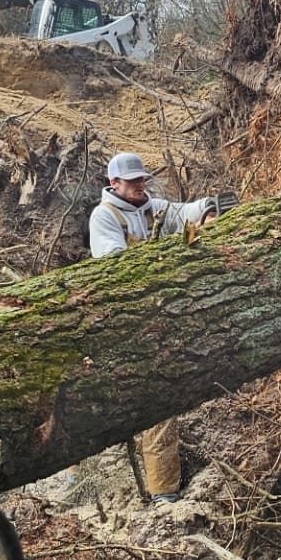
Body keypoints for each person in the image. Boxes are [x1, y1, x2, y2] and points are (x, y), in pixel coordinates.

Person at [88, 152, 219, 504]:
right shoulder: (104, 217)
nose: (139, 186)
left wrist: (207, 214)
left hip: (161, 317)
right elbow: (115, 270)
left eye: (141, 180)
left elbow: (189, 211)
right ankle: (164, 492)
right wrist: (167, 258)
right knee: (156, 403)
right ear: (113, 183)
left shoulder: (152, 207)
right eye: (131, 182)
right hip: (127, 324)